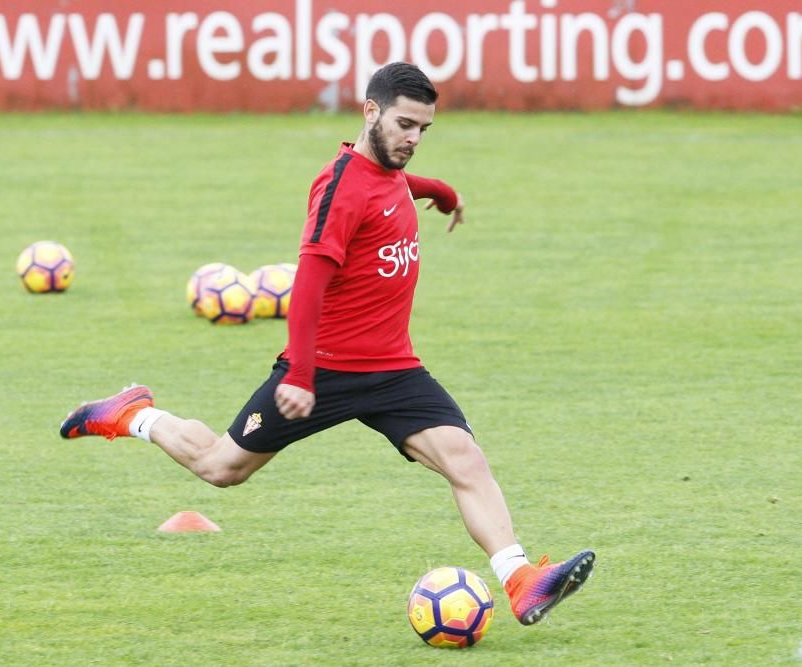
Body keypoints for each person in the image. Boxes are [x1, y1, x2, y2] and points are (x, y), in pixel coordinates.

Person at [60, 62, 594, 626]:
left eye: (423, 130)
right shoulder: (338, 185)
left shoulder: (387, 171)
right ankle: (133, 414)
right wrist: (300, 374)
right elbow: (310, 281)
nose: (413, 139)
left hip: (394, 371)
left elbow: (395, 185)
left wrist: (441, 191)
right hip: (326, 372)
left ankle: (520, 580)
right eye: (405, 125)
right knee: (222, 468)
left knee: (466, 458)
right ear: (371, 111)